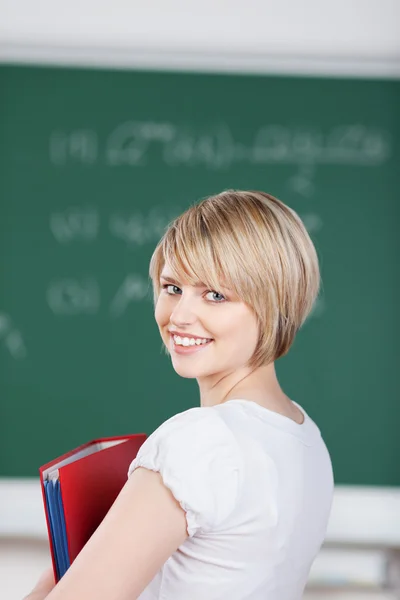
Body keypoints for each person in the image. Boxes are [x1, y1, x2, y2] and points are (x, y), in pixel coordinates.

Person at [25, 190, 334, 600]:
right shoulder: (304, 433)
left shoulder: (198, 442)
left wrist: (50, 584)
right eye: (172, 287)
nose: (180, 315)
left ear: (274, 305)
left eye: (215, 294)